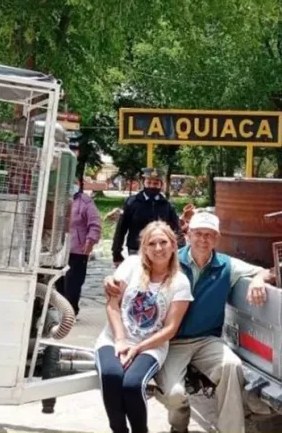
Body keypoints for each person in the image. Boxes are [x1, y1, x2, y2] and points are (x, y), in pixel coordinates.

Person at [105, 212, 271, 433]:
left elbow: (267, 271)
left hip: (206, 340)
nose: (203, 240)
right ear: (188, 234)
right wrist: (111, 280)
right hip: (170, 340)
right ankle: (179, 427)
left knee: (232, 366)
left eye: (210, 235)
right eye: (198, 234)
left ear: (217, 238)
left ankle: (231, 429)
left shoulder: (226, 266)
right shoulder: (169, 260)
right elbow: (135, 274)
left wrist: (258, 279)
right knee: (175, 396)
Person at [95, 221, 194, 433]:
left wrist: (137, 349)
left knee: (132, 385)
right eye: (152, 243)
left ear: (174, 245)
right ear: (144, 248)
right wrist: (121, 340)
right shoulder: (131, 265)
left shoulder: (181, 282)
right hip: (115, 337)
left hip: (150, 345)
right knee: (111, 377)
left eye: (163, 242)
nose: (158, 248)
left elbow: (170, 328)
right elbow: (113, 305)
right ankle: (119, 429)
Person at [111, 167, 182, 268]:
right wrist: (116, 252)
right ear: (143, 183)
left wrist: (180, 250)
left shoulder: (167, 204)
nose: (152, 186)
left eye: (156, 184)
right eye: (149, 183)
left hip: (160, 249)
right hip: (136, 249)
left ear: (161, 185)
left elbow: (176, 228)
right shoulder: (132, 202)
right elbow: (121, 228)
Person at [55, 177, 102, 316]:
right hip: (58, 248)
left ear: (79, 185)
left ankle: (71, 311)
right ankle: (63, 309)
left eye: (75, 184)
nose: (72, 186)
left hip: (78, 249)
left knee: (73, 283)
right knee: (59, 281)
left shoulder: (85, 202)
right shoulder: (58, 199)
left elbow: (95, 223)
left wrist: (91, 240)